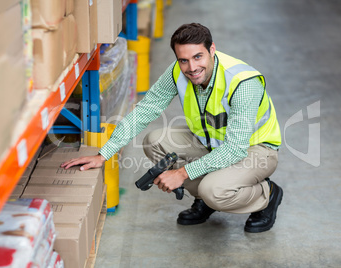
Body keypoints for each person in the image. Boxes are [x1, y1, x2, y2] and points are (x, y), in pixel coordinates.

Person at [62, 23, 283, 233]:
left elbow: (235, 149)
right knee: (155, 141)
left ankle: (267, 195)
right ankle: (206, 200)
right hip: (212, 143)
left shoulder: (243, 83)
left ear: (212, 49)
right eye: (184, 60)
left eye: (198, 57)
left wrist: (182, 173)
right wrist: (104, 154)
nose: (192, 68)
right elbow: (146, 109)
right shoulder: (178, 71)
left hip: (256, 150)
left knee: (213, 190)